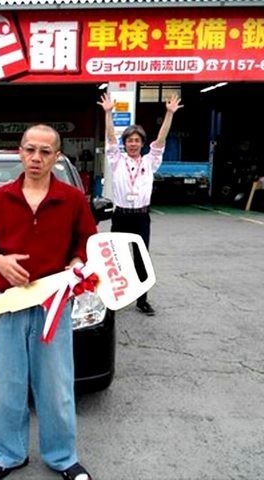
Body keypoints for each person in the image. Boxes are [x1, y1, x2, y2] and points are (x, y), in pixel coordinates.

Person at [0, 124, 97, 480]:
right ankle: (7, 454)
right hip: (6, 304)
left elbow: (87, 242)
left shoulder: (72, 199)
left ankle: (62, 457)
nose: (36, 158)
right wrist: (0, 261)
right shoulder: (0, 198)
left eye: (45, 151)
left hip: (53, 305)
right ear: (20, 152)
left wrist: (76, 265)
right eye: (30, 149)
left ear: (57, 157)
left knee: (56, 386)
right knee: (7, 386)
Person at [99, 93, 183, 316]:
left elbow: (161, 140)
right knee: (116, 260)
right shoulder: (117, 161)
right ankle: (112, 300)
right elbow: (110, 138)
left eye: (137, 140)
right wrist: (108, 112)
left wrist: (169, 113)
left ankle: (142, 301)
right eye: (130, 140)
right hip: (121, 216)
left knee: (141, 259)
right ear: (125, 143)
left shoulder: (150, 161)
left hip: (141, 217)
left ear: (142, 144)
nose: (133, 144)